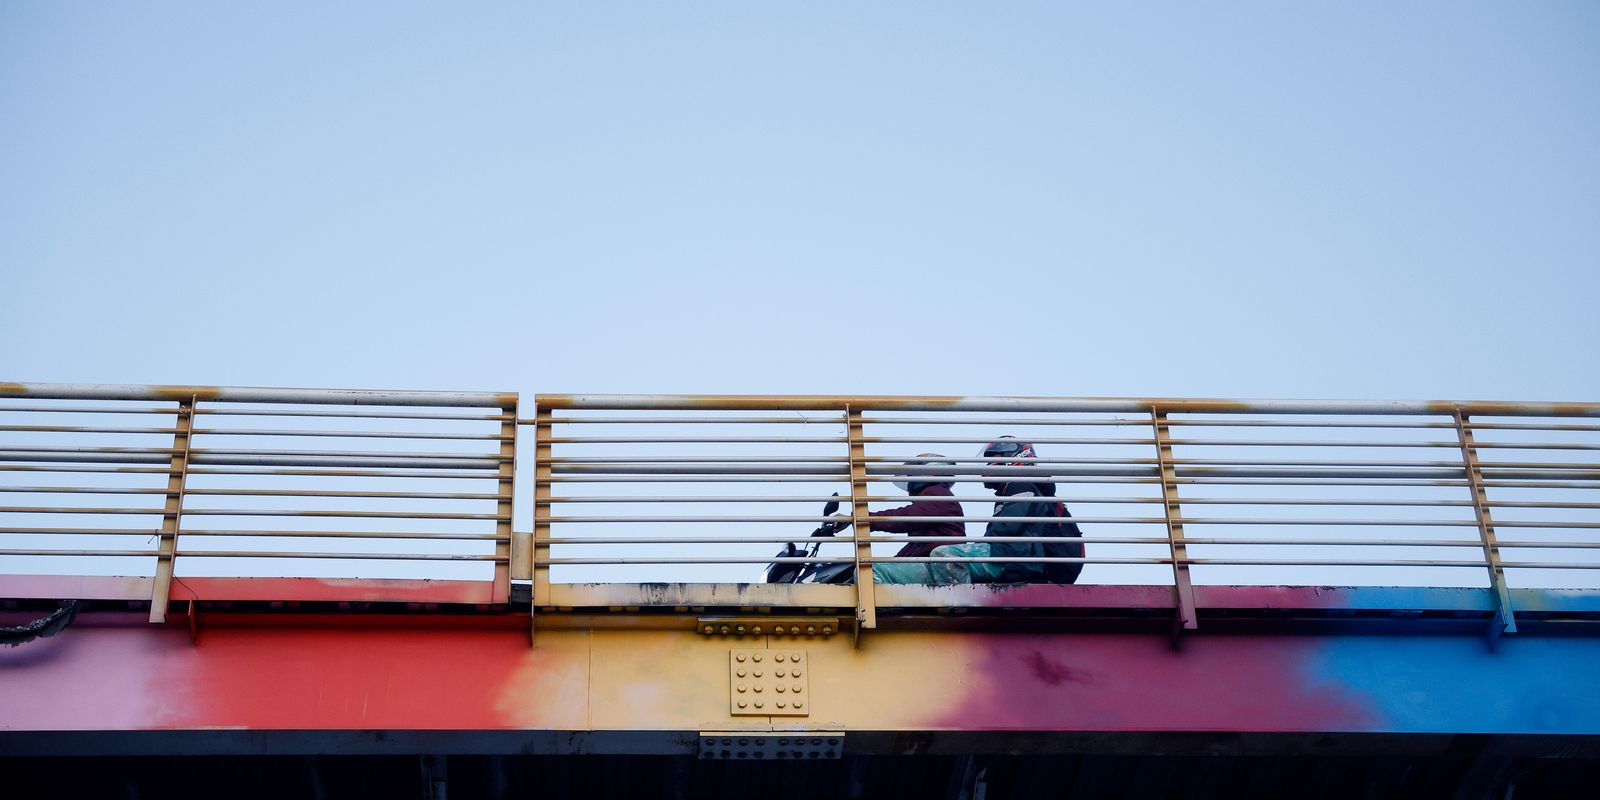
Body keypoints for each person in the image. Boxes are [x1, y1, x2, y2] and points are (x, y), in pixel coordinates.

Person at [928, 437, 1085, 584]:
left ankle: (961, 601)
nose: (988, 466)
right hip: (1024, 559)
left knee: (945, 555)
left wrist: (978, 546)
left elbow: (1007, 527)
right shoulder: (1025, 488)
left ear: (1013, 458)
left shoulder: (1021, 485)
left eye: (993, 459)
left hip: (1018, 559)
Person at [838, 453, 966, 584]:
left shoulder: (939, 495)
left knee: (871, 572)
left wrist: (862, 519)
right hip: (931, 566)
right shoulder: (932, 501)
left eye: (911, 475)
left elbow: (906, 517)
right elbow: (914, 548)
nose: (910, 482)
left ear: (930, 473)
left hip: (936, 568)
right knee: (875, 569)